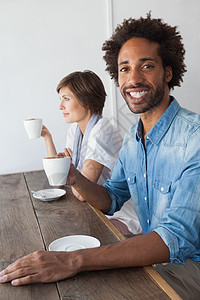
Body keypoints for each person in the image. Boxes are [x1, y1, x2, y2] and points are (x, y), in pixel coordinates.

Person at [1, 13, 200, 299]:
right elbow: (110, 199)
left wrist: (74, 260)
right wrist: (74, 177)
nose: (133, 79)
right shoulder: (134, 138)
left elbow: (175, 238)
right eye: (124, 69)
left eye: (146, 66)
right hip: (154, 255)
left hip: (189, 266)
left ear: (167, 72)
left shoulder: (194, 137)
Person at [41, 70, 141, 234]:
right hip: (96, 210)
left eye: (66, 99)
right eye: (60, 99)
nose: (60, 106)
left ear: (86, 101)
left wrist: (68, 168)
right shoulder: (75, 130)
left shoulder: (103, 130)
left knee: (64, 234)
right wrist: (47, 138)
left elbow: (81, 194)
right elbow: (58, 181)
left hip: (120, 216)